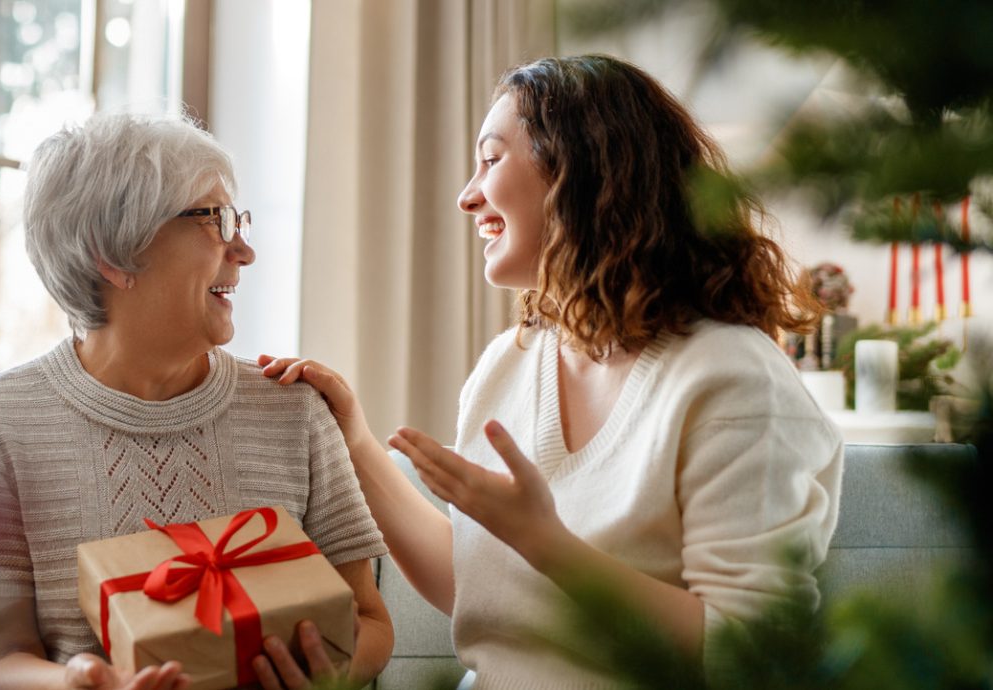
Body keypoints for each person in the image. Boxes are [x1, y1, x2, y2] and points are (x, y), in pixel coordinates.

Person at [260, 54, 843, 688]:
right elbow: (477, 590)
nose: (466, 194)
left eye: (491, 158)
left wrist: (545, 542)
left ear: (582, 171)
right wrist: (354, 442)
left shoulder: (731, 378)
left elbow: (754, 657)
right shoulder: (507, 365)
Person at [0, 112, 393, 690]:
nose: (244, 250)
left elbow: (369, 621)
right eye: (214, 220)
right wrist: (77, 685)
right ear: (112, 254)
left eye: (237, 219)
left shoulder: (295, 409)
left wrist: (326, 672)